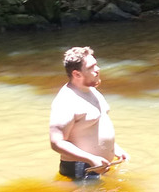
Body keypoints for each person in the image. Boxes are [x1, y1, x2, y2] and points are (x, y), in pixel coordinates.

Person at [49, 46, 128, 180]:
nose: (98, 70)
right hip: (82, 169)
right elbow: (56, 142)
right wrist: (91, 159)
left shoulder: (91, 90)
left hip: (98, 165)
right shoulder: (66, 101)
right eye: (91, 67)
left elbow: (94, 128)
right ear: (77, 74)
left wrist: (115, 148)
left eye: (96, 65)